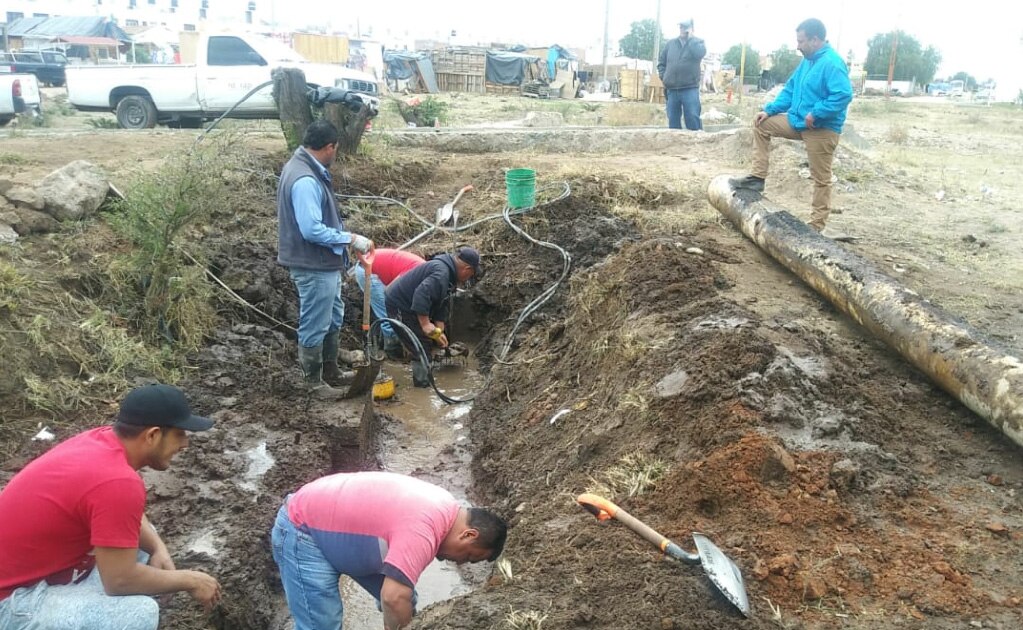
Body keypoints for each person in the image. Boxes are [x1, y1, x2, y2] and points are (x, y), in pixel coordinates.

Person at [0, 384, 222, 630]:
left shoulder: (102, 441)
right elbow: (119, 581)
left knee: (143, 547)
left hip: (26, 574)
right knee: (138, 614)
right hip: (10, 602)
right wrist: (190, 581)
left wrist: (158, 548)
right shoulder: (118, 481)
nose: (185, 444)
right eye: (180, 434)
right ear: (152, 435)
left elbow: (122, 511)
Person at [271, 471, 507, 630]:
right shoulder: (425, 530)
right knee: (322, 624)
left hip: (341, 531)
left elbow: (399, 598)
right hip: (302, 529)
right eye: (469, 556)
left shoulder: (444, 506)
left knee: (406, 598)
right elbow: (393, 597)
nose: (460, 562)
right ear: (468, 535)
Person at [277, 119, 375, 399]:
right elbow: (311, 229)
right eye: (336, 149)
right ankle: (313, 382)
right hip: (312, 264)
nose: (336, 154)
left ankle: (331, 370)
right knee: (315, 322)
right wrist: (350, 239)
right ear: (329, 147)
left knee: (333, 316)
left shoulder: (306, 167)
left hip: (324, 263)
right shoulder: (305, 179)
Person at [729, 18, 853, 232]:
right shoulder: (807, 61)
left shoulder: (832, 63)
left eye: (801, 41)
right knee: (762, 124)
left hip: (821, 129)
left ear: (815, 40)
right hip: (798, 121)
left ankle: (816, 227)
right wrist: (769, 110)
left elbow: (843, 95)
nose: (798, 46)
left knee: (821, 178)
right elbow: (790, 89)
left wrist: (817, 113)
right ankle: (757, 178)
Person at [384, 246, 482, 387]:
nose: (469, 278)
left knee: (422, 339)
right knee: (420, 345)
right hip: (399, 303)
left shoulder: (448, 274)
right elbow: (421, 295)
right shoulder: (441, 273)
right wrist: (425, 324)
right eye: (472, 274)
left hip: (409, 303)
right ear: (467, 269)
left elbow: (441, 301)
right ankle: (422, 386)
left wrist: (439, 328)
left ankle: (409, 360)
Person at [349, 247, 426, 357]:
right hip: (367, 269)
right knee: (386, 310)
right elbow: (390, 291)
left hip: (376, 265)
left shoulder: (425, 272)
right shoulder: (415, 272)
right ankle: (392, 349)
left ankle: (387, 340)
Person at [657, 19, 707, 131]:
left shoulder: (698, 43)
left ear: (691, 29)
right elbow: (661, 63)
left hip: (689, 88)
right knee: (673, 120)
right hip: (672, 89)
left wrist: (691, 39)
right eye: (681, 27)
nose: (682, 29)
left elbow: (700, 53)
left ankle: (696, 143)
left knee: (692, 118)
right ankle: (676, 147)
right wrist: (664, 78)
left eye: (685, 27)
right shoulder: (670, 44)